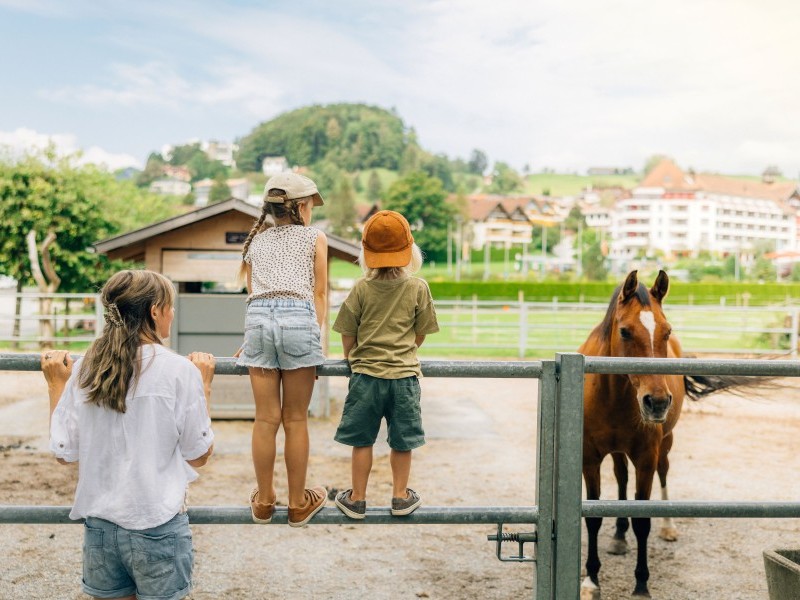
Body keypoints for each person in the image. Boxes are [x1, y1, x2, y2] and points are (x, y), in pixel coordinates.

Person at [42, 269, 215, 600]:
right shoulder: (180, 370)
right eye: (170, 306)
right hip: (157, 525)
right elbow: (198, 454)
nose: (173, 313)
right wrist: (203, 385)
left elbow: (65, 452)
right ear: (155, 311)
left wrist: (55, 385)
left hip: (101, 529)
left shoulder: (85, 368)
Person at [332, 210, 439, 519]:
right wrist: (404, 350)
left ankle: (357, 499)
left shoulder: (361, 289)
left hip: (365, 376)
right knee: (402, 441)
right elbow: (421, 334)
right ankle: (400, 496)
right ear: (410, 250)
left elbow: (348, 333)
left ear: (366, 252)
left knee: (363, 441)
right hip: (404, 377)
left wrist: (352, 357)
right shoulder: (418, 288)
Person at [236, 172, 329, 527]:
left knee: (265, 419)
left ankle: (263, 501)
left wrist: (253, 335)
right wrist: (309, 334)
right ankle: (297, 503)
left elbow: (253, 296)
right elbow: (319, 294)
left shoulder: (255, 242)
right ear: (302, 207)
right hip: (299, 320)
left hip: (257, 322)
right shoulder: (314, 238)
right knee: (295, 419)